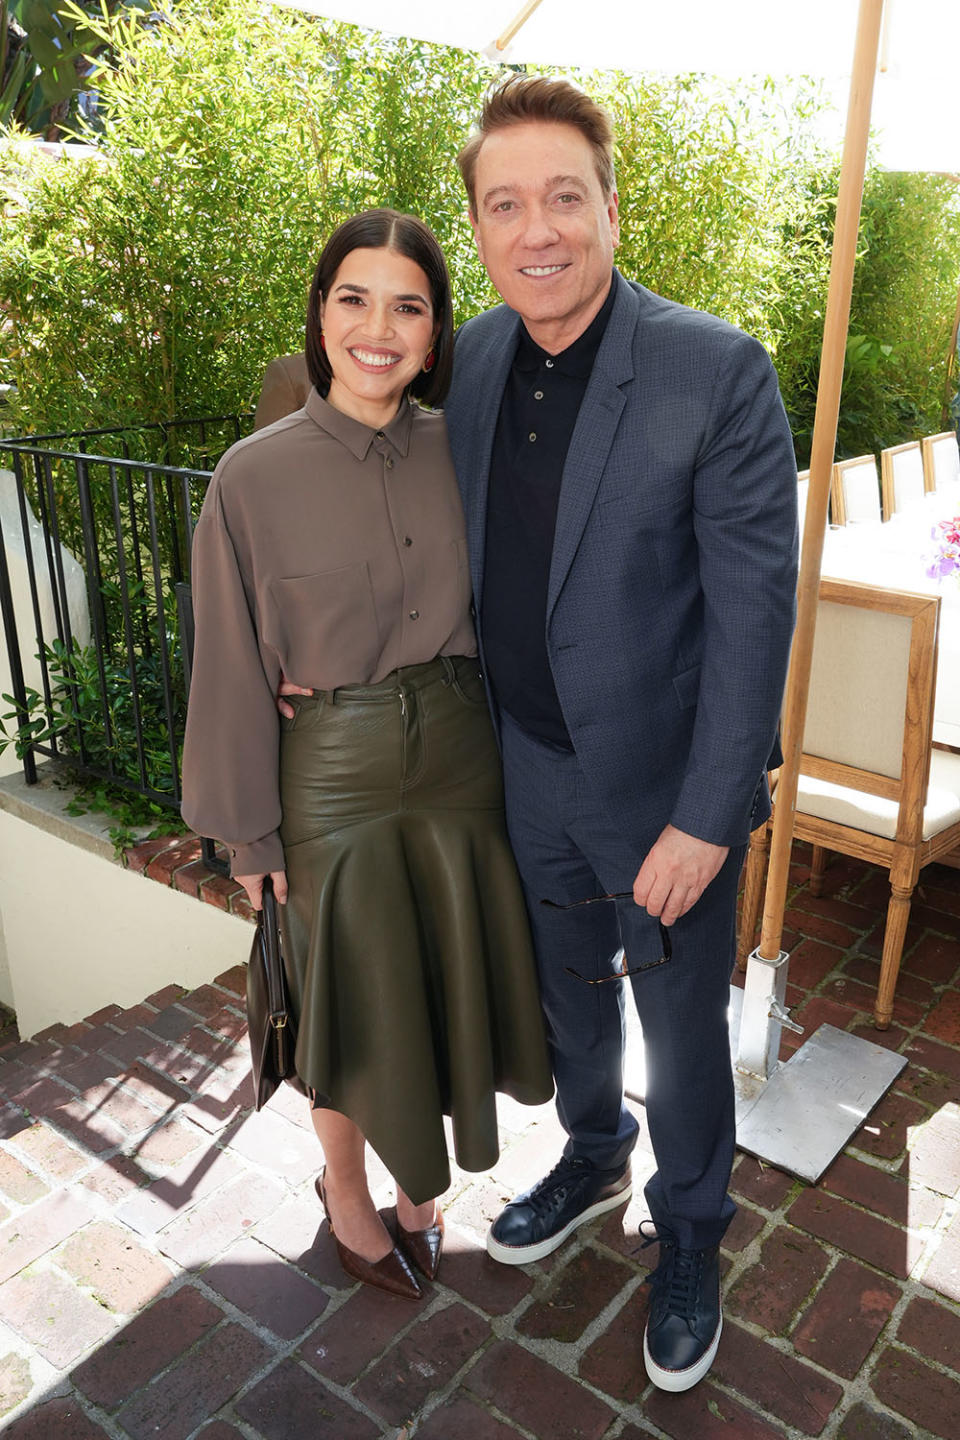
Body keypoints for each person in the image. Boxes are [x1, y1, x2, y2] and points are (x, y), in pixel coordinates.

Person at [444, 76, 798, 1392]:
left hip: (664, 793)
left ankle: (693, 1222)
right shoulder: (473, 358)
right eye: (505, 204)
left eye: (564, 198)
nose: (538, 230)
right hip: (525, 768)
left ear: (608, 205)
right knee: (570, 1002)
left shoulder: (714, 369)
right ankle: (593, 1155)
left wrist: (711, 814)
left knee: (680, 1027)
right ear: (478, 227)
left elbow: (758, 614)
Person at [181, 208, 552, 1302]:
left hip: (461, 758)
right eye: (355, 298)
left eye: (408, 306)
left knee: (436, 984)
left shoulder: (471, 453)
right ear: (320, 313)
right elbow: (232, 663)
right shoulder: (250, 479)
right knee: (346, 1000)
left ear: (437, 337)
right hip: (330, 781)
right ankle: (345, 1189)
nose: (378, 329)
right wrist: (245, 830)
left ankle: (424, 1193)